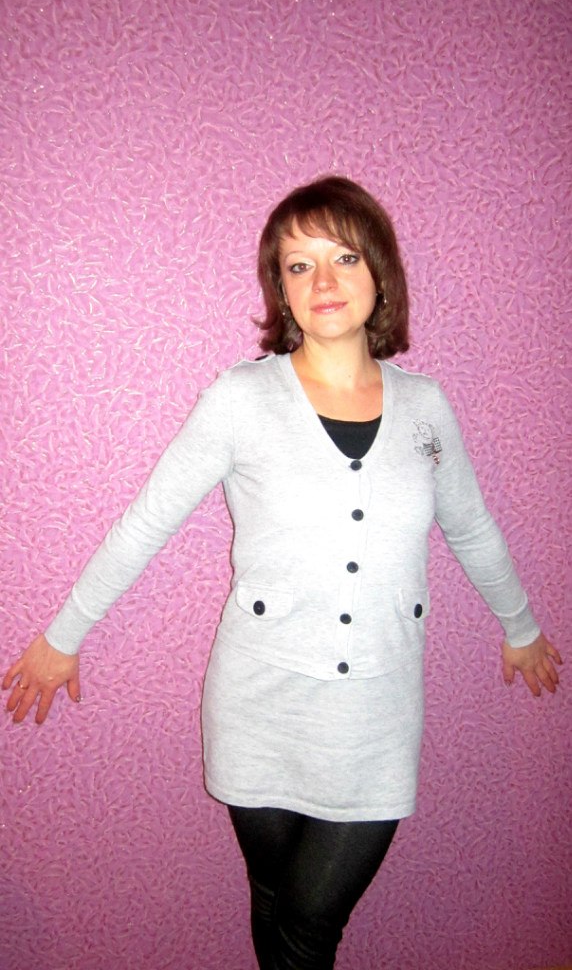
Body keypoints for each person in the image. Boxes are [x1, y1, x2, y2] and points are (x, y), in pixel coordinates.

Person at [3, 176, 562, 970]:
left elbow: (471, 526)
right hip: (259, 701)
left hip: (375, 712)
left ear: (380, 273)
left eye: (344, 257)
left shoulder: (427, 407)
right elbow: (148, 521)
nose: (323, 280)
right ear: (281, 289)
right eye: (299, 266)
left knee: (308, 923)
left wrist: (521, 627)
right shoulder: (241, 399)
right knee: (273, 899)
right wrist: (64, 638)